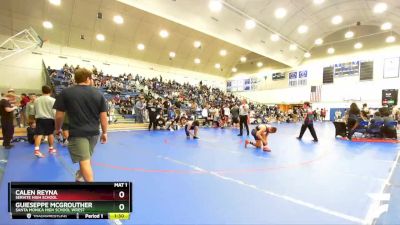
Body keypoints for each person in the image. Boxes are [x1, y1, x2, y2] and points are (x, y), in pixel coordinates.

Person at [54, 68, 108, 182]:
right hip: (94, 134)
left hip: (77, 133)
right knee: (85, 160)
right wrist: (105, 133)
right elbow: (103, 117)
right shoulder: (99, 94)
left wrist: (58, 129)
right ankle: (80, 177)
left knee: (84, 160)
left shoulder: (66, 92)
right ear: (88, 78)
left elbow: (59, 116)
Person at [33, 85, 56, 158]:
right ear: (50, 91)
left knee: (39, 134)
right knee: (50, 134)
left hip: (39, 119)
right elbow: (54, 111)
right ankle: (51, 149)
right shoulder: (52, 100)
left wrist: (34, 119)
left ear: (42, 91)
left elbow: (34, 111)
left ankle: (37, 150)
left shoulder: (36, 100)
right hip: (49, 119)